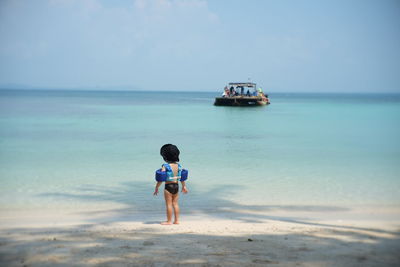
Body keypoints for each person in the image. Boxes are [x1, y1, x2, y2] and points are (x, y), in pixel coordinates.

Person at [153, 144, 188, 225]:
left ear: (165, 157)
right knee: (175, 204)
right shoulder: (178, 166)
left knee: (169, 204)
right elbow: (181, 178)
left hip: (168, 187)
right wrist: (184, 186)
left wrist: (156, 188)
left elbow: (161, 179)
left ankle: (169, 221)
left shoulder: (165, 166)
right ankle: (176, 220)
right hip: (176, 186)